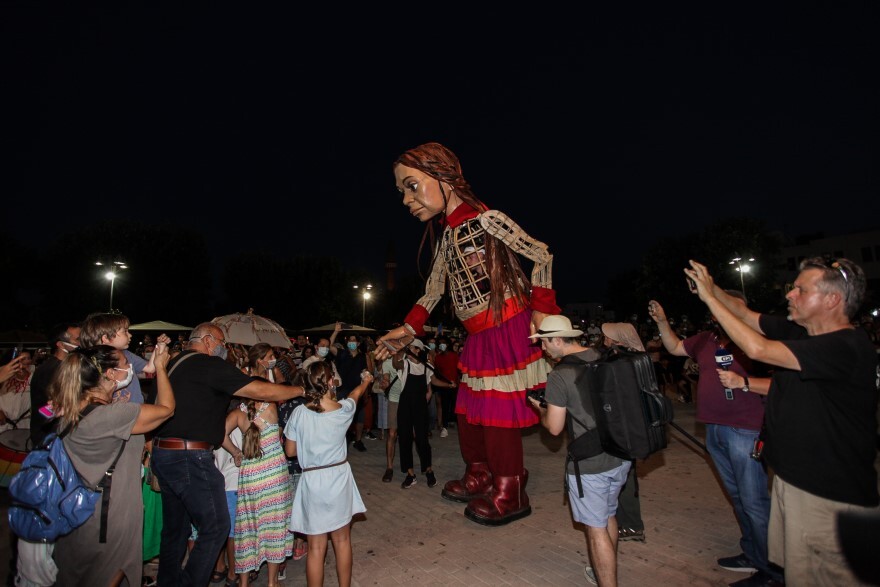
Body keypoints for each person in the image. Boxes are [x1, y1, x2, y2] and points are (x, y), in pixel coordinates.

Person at [375, 142, 560, 526]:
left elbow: (541, 253)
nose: (407, 200)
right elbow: (433, 290)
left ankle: (511, 488)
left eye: (412, 185)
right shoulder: (446, 237)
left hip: (504, 326)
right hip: (476, 335)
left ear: (443, 176)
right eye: (402, 191)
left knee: (495, 413)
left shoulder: (487, 219)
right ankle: (481, 473)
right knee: (469, 413)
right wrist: (409, 328)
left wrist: (542, 311)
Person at [684, 257, 878, 587]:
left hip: (828, 496)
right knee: (798, 571)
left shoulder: (846, 346)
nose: (790, 295)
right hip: (796, 481)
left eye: (801, 289)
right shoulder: (803, 334)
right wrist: (712, 287)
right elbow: (744, 314)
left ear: (833, 300)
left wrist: (709, 300)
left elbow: (757, 348)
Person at [150, 322, 305, 587]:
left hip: (164, 453)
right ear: (209, 341)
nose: (225, 348)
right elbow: (259, 390)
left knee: (175, 531)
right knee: (217, 526)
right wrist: (301, 390)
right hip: (191, 457)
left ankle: (169, 581)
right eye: (222, 343)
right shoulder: (208, 365)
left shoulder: (172, 365)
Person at [649, 292, 782, 586]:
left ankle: (774, 572)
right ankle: (753, 554)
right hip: (714, 429)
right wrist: (662, 321)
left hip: (745, 430)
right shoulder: (706, 339)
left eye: (719, 306)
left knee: (755, 502)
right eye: (712, 307)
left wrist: (743, 382)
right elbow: (673, 347)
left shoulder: (755, 342)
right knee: (737, 497)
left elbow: (782, 385)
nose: (714, 312)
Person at [51, 342, 175, 586]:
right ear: (110, 374)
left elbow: (46, 410)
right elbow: (167, 410)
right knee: (111, 571)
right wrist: (161, 368)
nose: (130, 366)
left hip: (74, 506)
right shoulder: (116, 415)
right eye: (125, 363)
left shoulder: (68, 410)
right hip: (111, 510)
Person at [527, 315, 628, 586]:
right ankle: (604, 570)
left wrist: (541, 410)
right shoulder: (603, 356)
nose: (543, 349)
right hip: (620, 452)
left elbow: (555, 428)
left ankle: (607, 580)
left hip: (589, 463)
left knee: (595, 530)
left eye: (545, 343)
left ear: (558, 340)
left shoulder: (560, 375)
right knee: (608, 515)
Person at [283, 361, 373, 587]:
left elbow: (290, 451)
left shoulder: (299, 413)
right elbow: (355, 393)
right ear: (331, 382)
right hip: (338, 477)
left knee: (315, 548)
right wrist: (366, 381)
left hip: (313, 480)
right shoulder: (343, 410)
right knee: (342, 541)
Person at [222, 343, 294, 587]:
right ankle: (272, 582)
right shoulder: (271, 406)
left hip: (250, 475)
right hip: (274, 473)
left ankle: (243, 582)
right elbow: (278, 392)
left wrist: (236, 453)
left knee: (248, 528)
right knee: (273, 526)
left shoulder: (239, 413)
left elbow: (217, 434)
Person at [600, 322, 648, 545]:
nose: (604, 341)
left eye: (608, 338)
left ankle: (631, 525)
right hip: (632, 427)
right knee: (625, 477)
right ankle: (627, 522)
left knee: (625, 480)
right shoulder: (638, 360)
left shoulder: (624, 363)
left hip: (626, 430)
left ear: (618, 341)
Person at [79, 312, 163, 404]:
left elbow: (150, 368)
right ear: (106, 338)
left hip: (137, 410)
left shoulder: (127, 355)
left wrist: (159, 346)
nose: (130, 335)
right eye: (125, 331)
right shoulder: (90, 364)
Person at [30, 322, 81, 445]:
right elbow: (44, 409)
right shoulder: (50, 370)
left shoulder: (65, 367)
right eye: (77, 339)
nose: (81, 343)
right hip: (48, 437)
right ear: (60, 344)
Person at [328, 324, 369, 451]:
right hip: (342, 391)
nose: (352, 342)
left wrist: (365, 390)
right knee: (342, 416)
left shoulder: (363, 356)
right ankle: (341, 440)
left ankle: (358, 440)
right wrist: (335, 332)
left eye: (354, 340)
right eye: (349, 340)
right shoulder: (341, 353)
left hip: (357, 390)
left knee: (359, 417)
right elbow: (330, 346)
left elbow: (365, 372)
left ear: (358, 343)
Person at [0, 348, 33, 433]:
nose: (26, 361)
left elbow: (45, 404)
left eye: (28, 358)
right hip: (3, 425)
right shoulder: (4, 375)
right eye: (21, 359)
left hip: (24, 427)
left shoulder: (36, 378)